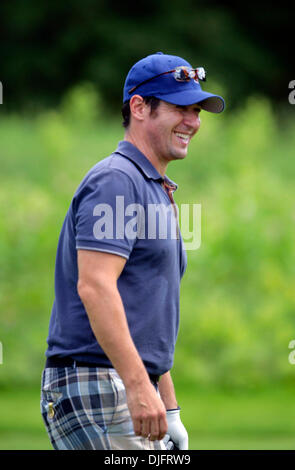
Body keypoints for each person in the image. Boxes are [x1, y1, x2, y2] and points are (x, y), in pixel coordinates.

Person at [40, 51, 225, 450]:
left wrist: (168, 406)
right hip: (99, 382)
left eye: (197, 111)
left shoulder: (154, 187)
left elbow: (145, 311)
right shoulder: (116, 181)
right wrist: (139, 386)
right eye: (181, 108)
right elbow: (96, 287)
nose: (193, 122)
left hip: (124, 381)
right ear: (139, 107)